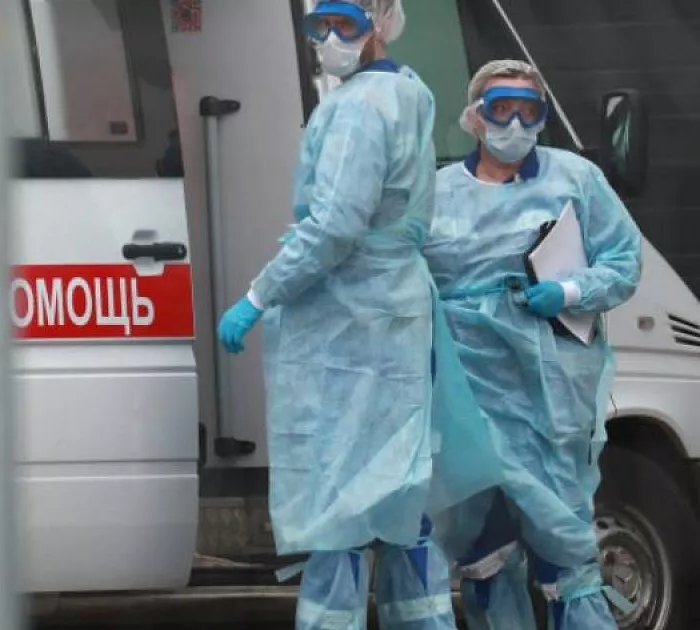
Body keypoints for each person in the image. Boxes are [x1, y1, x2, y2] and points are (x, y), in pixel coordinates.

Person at [216, 1, 484, 627]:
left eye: (347, 24)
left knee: (342, 502)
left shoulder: (359, 107)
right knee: (398, 492)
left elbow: (334, 226)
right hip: (394, 312)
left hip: (351, 318)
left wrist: (258, 295)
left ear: (380, 23)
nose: (331, 38)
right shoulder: (410, 91)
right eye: (321, 25)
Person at [424, 60, 643, 629]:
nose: (516, 125)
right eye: (501, 110)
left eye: (529, 111)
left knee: (562, 535)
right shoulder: (437, 193)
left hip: (549, 389)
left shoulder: (575, 180)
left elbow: (623, 261)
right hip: (465, 393)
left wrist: (567, 290)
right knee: (482, 542)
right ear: (475, 117)